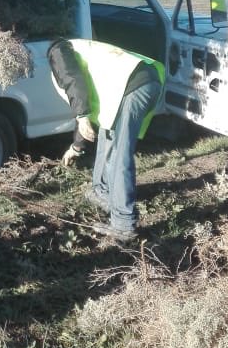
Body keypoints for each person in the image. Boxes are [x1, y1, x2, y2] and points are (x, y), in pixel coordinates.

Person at [48, 38, 164, 242]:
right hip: (141, 82)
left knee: (120, 153)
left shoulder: (58, 50)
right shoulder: (81, 48)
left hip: (132, 87)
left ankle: (123, 224)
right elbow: (86, 107)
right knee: (107, 136)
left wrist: (82, 116)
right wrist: (76, 146)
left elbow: (74, 81)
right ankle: (102, 192)